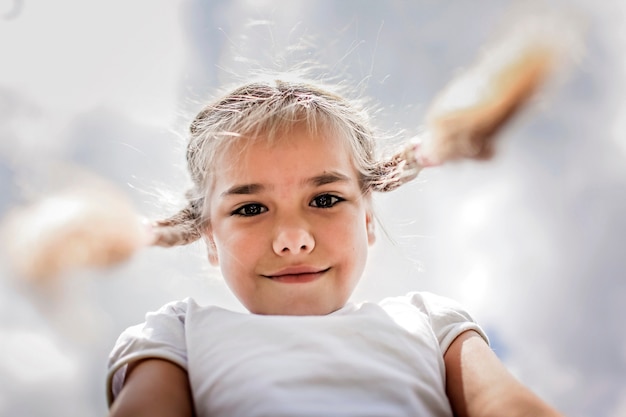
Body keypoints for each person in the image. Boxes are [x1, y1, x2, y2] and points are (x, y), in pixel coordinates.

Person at [106, 78, 564, 417]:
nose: (293, 239)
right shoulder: (178, 335)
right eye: (249, 209)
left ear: (367, 219)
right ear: (210, 237)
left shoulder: (429, 322)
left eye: (325, 200)